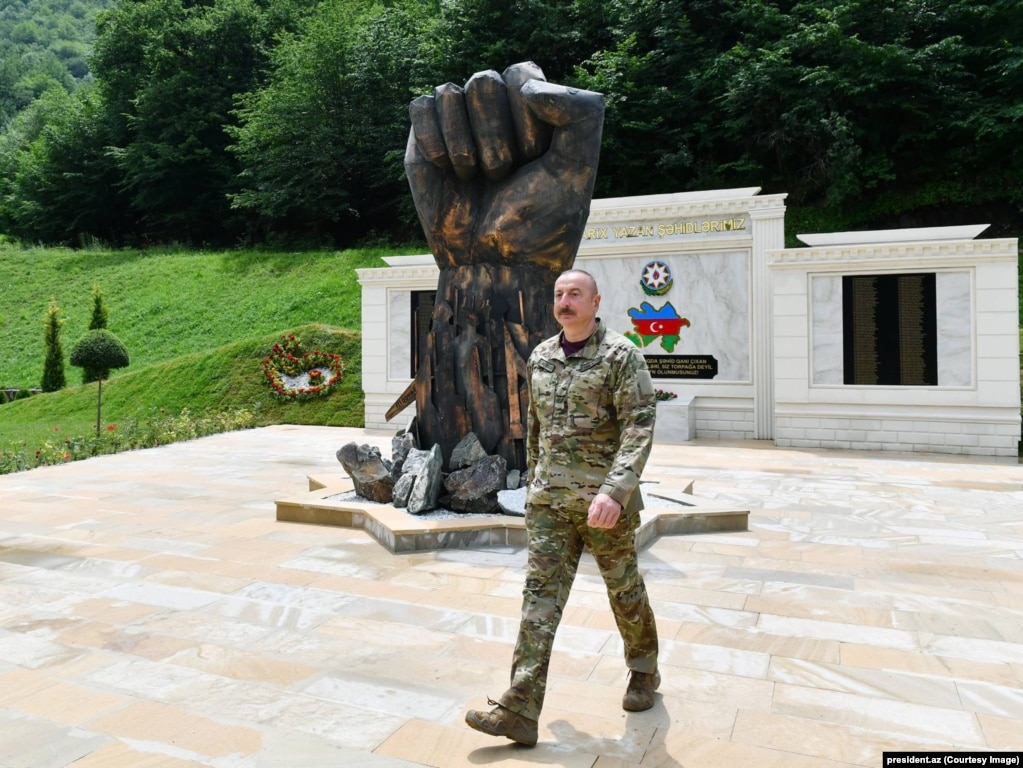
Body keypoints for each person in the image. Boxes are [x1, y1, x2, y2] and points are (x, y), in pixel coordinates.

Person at [465, 268, 660, 747]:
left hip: (603, 506)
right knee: (539, 602)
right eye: (559, 294)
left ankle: (643, 669)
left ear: (596, 302)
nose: (565, 301)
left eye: (575, 294)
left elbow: (639, 424)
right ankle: (519, 709)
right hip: (551, 504)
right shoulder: (542, 356)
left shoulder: (620, 356)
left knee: (624, 590)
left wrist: (615, 491)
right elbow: (535, 429)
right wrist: (533, 486)